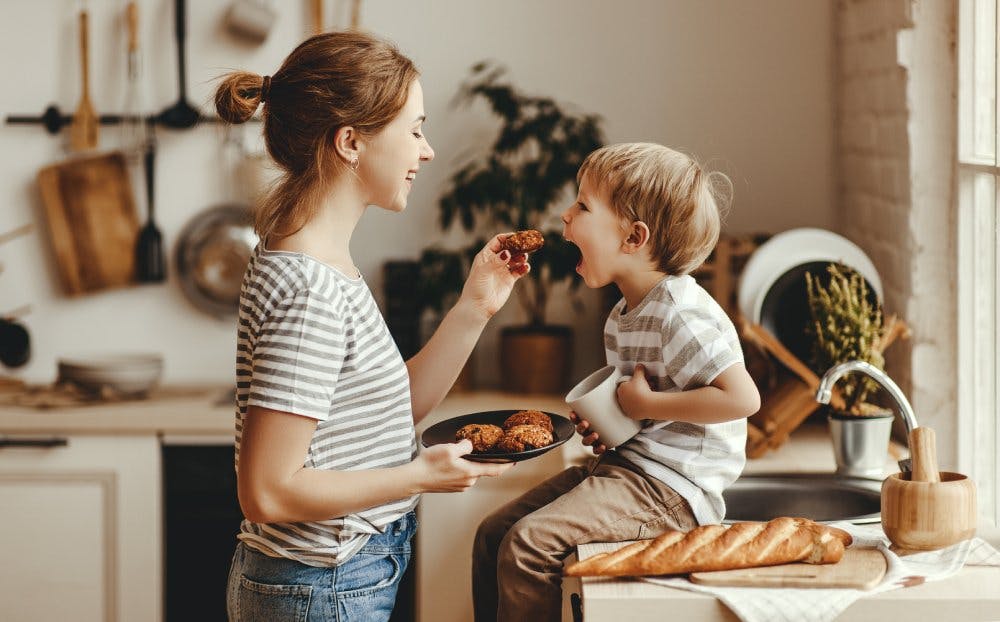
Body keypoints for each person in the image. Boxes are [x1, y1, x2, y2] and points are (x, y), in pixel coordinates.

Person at [215, 31, 529, 622]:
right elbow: (268, 490)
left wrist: (474, 308)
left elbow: (387, 413)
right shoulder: (310, 289)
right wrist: (416, 475)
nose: (427, 150)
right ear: (351, 142)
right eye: (414, 129)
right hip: (319, 587)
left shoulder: (320, 262)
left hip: (332, 578)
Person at [472, 142, 761, 621]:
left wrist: (646, 404)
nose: (565, 215)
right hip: (630, 470)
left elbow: (741, 397)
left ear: (633, 237)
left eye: (583, 205)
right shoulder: (623, 316)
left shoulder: (681, 314)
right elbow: (640, 411)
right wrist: (610, 426)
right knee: (494, 533)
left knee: (527, 546)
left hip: (673, 494)